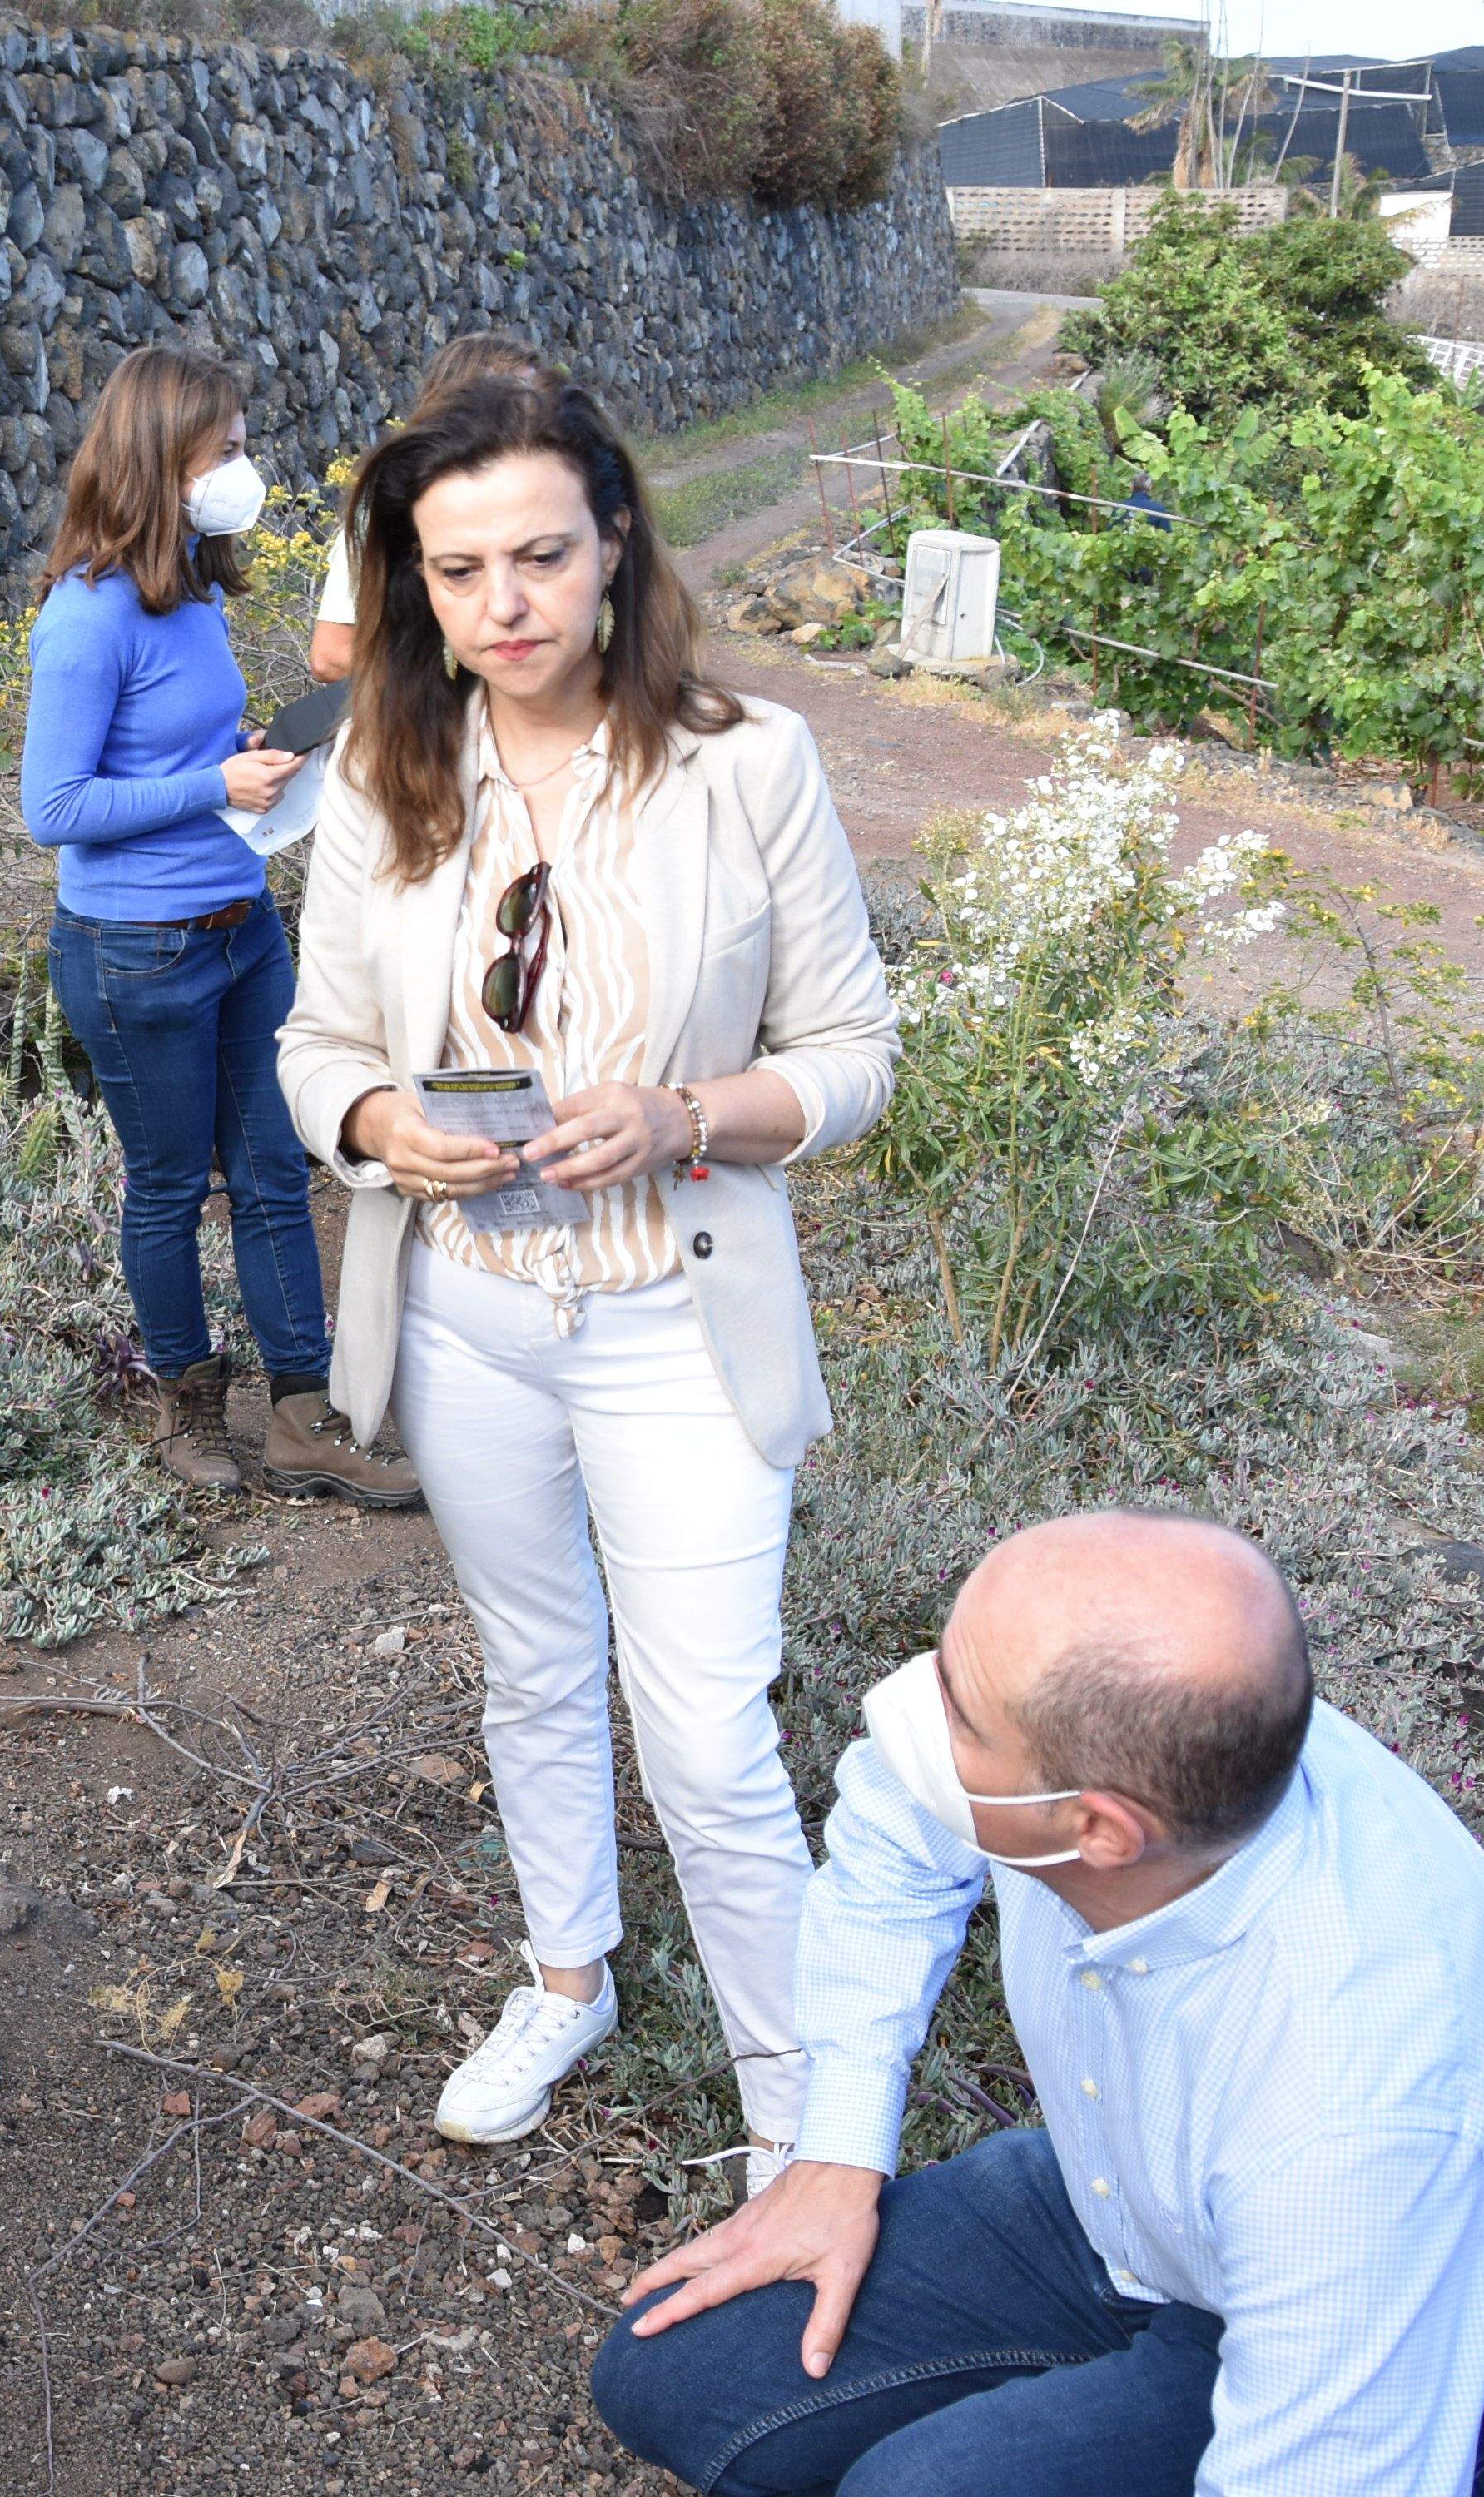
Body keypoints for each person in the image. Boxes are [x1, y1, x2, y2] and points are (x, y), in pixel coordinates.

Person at [274, 373, 896, 2162]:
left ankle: (799, 2132)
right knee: (532, 1670)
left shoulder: (745, 765)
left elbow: (852, 1052)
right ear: (412, 582)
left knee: (706, 1735)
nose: (504, 606)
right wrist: (385, 1128)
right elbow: (316, 1043)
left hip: (675, 1319)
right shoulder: (386, 769)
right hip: (470, 1310)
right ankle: (568, 1979)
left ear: (615, 539)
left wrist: (685, 1115)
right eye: (457, 571)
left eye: (539, 555)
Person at [592, 1512, 1484, 2496]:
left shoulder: (1353, 2106)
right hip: (1142, 2217)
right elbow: (894, 1833)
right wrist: (837, 2151)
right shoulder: (1182, 1739)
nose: (910, 1708)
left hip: (1461, 2392)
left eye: (956, 1711)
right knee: (677, 2376)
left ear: (1096, 1831)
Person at [23, 343, 416, 1507]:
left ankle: (305, 1416)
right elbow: (52, 808)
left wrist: (240, 759)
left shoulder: (188, 583)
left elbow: (175, 751)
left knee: (275, 1174)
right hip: (136, 951)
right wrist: (212, 789)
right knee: (166, 1188)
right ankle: (189, 1418)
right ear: (164, 460)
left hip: (241, 926)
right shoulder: (87, 618)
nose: (246, 469)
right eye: (228, 450)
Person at [305, 330, 550, 686]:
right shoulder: (391, 504)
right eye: (512, 401)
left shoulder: (555, 498)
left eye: (537, 400)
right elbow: (332, 655)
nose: (534, 416)